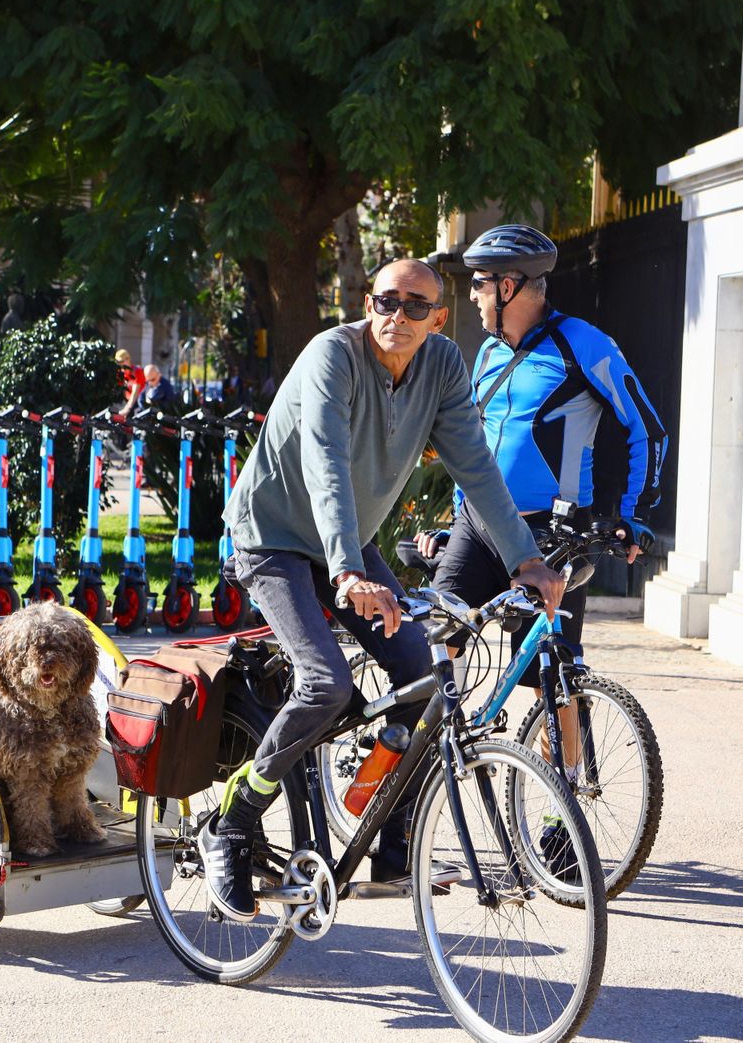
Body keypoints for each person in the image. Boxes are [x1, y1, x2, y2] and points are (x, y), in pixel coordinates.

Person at [201, 258, 565, 922]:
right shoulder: (330, 357)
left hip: (348, 543)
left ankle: (391, 838)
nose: (397, 316)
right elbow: (326, 465)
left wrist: (526, 560)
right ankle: (233, 819)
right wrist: (347, 571)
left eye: (414, 305)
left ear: (438, 317)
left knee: (418, 674)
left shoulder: (443, 368)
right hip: (276, 537)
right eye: (385, 302)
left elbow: (475, 467)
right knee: (325, 683)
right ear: (370, 304)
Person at [417, 225, 667, 836]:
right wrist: (454, 522)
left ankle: (561, 816)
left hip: (554, 534)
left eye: (479, 284)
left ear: (511, 285)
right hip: (479, 525)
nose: (472, 295)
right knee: (435, 646)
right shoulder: (486, 352)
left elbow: (647, 430)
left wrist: (633, 514)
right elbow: (471, 446)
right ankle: (398, 795)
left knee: (554, 674)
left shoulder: (586, 345)